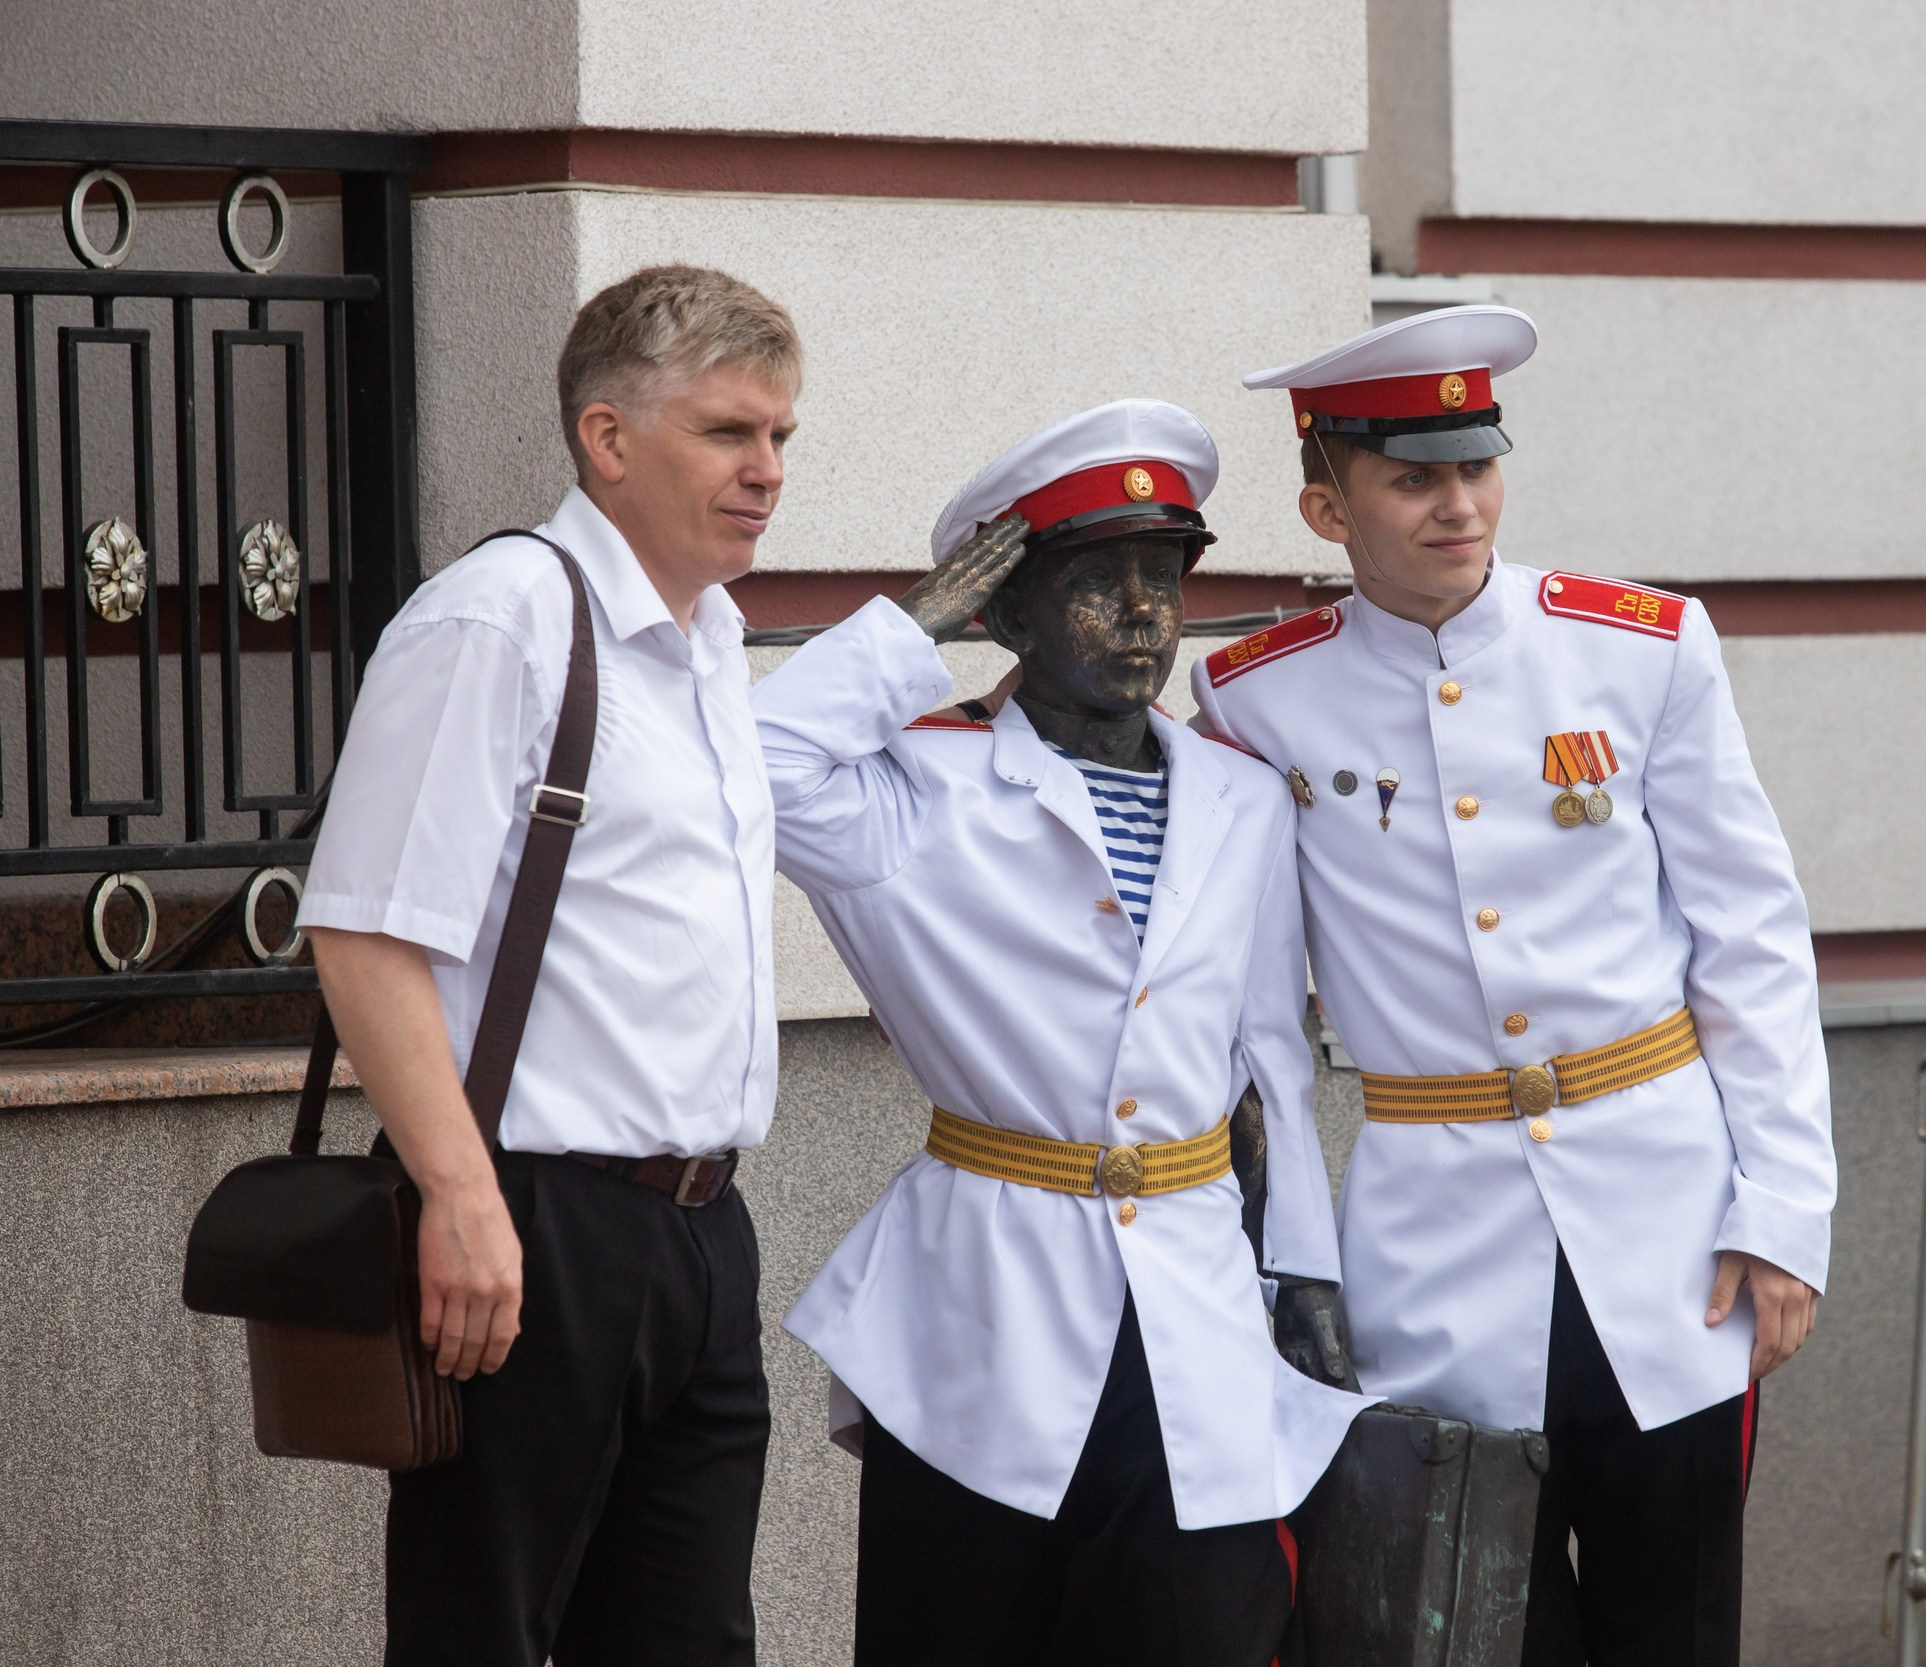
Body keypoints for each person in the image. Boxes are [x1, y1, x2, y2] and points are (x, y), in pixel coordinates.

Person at [1191, 306, 1837, 1666]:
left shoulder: (1641, 647)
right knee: (1465, 1633)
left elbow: (1752, 936)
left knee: (1676, 1627)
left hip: (1670, 1236)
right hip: (1432, 1241)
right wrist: (1294, 1264)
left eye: (1476, 465)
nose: (1459, 504)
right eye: (1412, 478)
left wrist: (1782, 1209)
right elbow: (1258, 1029)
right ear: (1327, 507)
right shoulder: (1257, 700)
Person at [751, 399, 1371, 1667]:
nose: (1144, 613)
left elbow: (1267, 1054)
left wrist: (1301, 1268)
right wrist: (903, 629)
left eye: (1164, 577)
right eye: (1097, 583)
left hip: (1196, 1294)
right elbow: (744, 767)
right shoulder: (916, 788)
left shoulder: (1243, 796)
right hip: (985, 1307)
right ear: (1007, 614)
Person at [298, 265, 793, 1665]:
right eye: (727, 431)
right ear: (607, 436)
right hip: (536, 1219)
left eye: (779, 436)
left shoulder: (710, 641)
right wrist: (461, 1197)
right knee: (484, 1633)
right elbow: (364, 932)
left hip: (701, 1228)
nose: (766, 470)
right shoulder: (500, 615)